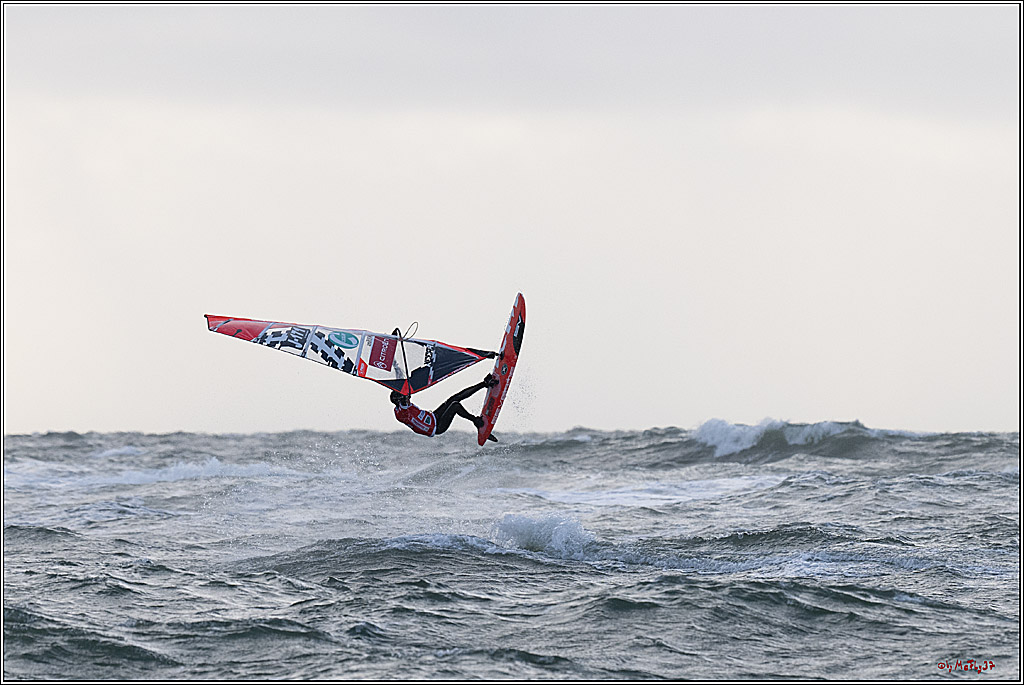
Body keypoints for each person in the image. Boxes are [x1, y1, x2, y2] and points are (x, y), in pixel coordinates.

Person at [391, 374, 499, 441]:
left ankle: (484, 384)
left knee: (453, 398)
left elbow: (400, 379)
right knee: (455, 405)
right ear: (399, 400)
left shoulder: (404, 404)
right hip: (436, 427)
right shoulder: (400, 413)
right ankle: (476, 421)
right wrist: (403, 396)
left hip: (433, 416)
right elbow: (404, 401)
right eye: (402, 396)